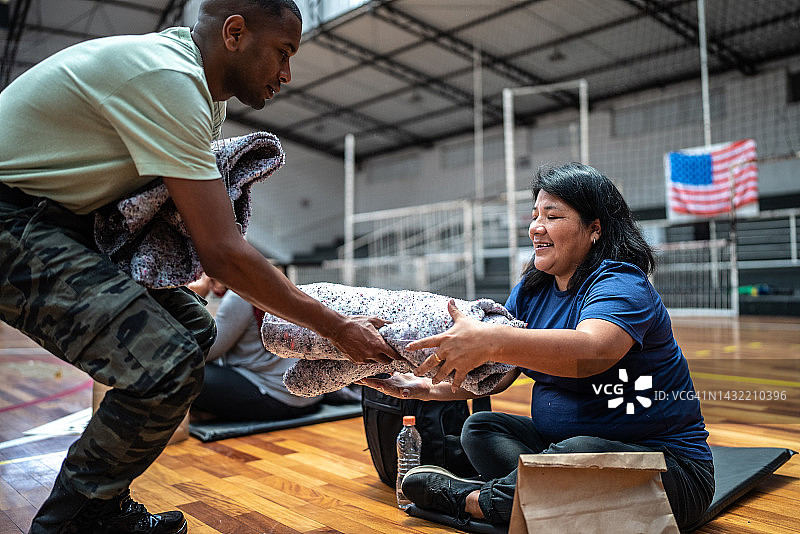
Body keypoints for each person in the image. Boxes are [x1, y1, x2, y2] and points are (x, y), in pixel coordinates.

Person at [0, 1, 397, 532]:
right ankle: (71, 523)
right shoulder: (172, 80)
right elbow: (223, 254)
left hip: (57, 218)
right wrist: (336, 327)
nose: (286, 74)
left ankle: (100, 506)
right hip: (13, 217)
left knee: (195, 328)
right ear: (235, 33)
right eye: (283, 53)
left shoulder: (204, 98)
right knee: (164, 364)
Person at [359, 163, 715, 530]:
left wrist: (492, 339)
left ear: (595, 228)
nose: (535, 227)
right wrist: (427, 389)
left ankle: (473, 501)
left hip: (667, 471)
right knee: (481, 428)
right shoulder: (533, 289)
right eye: (534, 216)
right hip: (562, 452)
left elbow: (592, 352)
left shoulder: (622, 282)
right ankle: (541, 493)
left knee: (578, 454)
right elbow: (498, 375)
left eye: (553, 215)